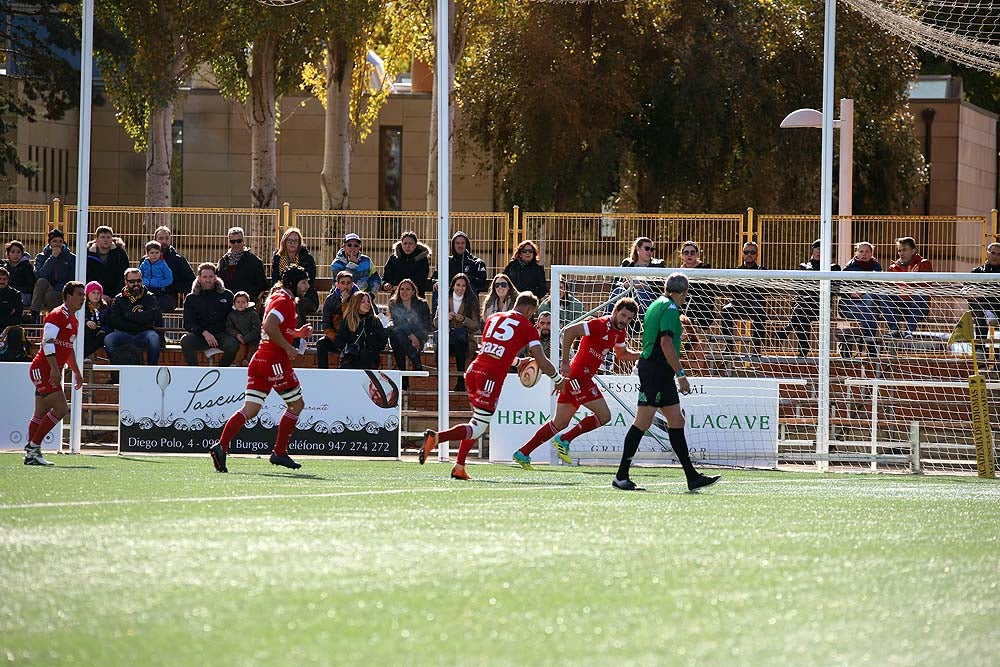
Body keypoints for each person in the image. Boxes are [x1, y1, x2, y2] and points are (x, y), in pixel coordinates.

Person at [419, 291, 565, 480]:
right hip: (490, 376)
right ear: (529, 309)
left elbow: (495, 350)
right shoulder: (527, 325)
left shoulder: (493, 318)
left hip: (473, 370)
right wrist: (558, 379)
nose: (532, 317)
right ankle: (436, 438)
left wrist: (518, 362)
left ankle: (459, 467)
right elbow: (541, 359)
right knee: (478, 427)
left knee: (476, 422)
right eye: (533, 313)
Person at [613, 273, 720, 492]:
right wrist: (681, 374)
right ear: (684, 293)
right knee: (642, 422)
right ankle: (621, 476)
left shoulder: (656, 304)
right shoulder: (671, 309)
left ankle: (692, 476)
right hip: (657, 370)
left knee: (676, 419)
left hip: (657, 370)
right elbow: (665, 342)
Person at [512, 298, 642, 469]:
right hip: (578, 376)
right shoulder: (600, 324)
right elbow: (569, 331)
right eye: (623, 315)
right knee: (604, 416)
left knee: (560, 423)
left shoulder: (620, 332)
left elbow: (622, 354)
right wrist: (565, 362)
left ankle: (523, 453)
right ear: (615, 312)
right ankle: (565, 439)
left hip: (579, 378)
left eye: (629, 318)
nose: (625, 320)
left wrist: (645, 353)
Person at [209, 265, 314, 473]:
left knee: (250, 409)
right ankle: (279, 452)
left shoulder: (279, 297)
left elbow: (277, 327)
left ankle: (221, 446)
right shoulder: (284, 300)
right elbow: (268, 326)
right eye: (304, 281)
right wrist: (289, 348)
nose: (307, 285)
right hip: (275, 360)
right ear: (293, 283)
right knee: (296, 405)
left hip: (260, 359)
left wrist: (298, 333)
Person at [23, 281, 85, 466]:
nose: (83, 298)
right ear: (67, 296)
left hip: (48, 369)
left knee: (40, 413)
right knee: (61, 409)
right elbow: (47, 342)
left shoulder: (74, 320)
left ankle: (31, 454)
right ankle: (33, 447)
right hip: (44, 369)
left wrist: (76, 372)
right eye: (79, 294)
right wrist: (55, 369)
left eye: (83, 294)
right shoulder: (57, 315)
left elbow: (68, 349)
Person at [776, 240, 840, 358]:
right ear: (812, 250)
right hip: (804, 304)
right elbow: (800, 287)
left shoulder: (834, 267)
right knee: (802, 313)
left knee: (801, 310)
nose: (819, 251)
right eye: (817, 248)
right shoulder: (804, 266)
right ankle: (802, 350)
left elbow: (834, 289)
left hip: (822, 305)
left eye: (822, 248)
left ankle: (789, 332)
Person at [181, 263, 239, 368]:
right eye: (205, 277)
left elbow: (237, 315)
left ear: (216, 277)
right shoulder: (191, 298)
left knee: (233, 344)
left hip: (222, 335)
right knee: (185, 341)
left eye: (211, 276)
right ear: (199, 278)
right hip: (201, 336)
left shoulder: (227, 295)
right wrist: (204, 333)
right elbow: (188, 323)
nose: (208, 280)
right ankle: (195, 372)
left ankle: (221, 371)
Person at [433, 273, 481, 392]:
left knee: (460, 337)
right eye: (458, 285)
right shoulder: (444, 299)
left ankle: (460, 381)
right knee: (442, 342)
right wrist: (446, 317)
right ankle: (442, 382)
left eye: (463, 286)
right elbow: (436, 322)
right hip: (446, 338)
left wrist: (464, 320)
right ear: (453, 286)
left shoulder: (471, 301)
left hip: (463, 339)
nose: (460, 288)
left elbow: (476, 325)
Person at [105, 268, 162, 365]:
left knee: (154, 338)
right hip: (124, 334)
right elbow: (115, 321)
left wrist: (128, 316)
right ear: (126, 282)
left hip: (144, 334)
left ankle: (152, 370)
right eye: (132, 281)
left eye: (139, 281)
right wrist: (139, 320)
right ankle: (117, 370)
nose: (136, 284)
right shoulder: (118, 299)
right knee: (109, 339)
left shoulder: (150, 297)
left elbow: (151, 316)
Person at [720, 241, 767, 356]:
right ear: (742, 254)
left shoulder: (763, 271)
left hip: (755, 303)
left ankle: (756, 348)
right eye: (746, 252)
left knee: (760, 311)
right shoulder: (736, 271)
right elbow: (732, 289)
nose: (749, 254)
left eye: (752, 252)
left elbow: (763, 291)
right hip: (738, 303)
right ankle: (729, 346)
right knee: (725, 310)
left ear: (757, 255)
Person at [880, 236, 932, 338]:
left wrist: (909, 282)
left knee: (920, 295)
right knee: (884, 294)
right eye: (899, 250)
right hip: (899, 304)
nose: (901, 253)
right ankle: (894, 330)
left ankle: (909, 331)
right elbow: (890, 287)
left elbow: (926, 286)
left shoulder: (923, 264)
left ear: (913, 251)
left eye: (904, 250)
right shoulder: (893, 267)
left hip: (917, 305)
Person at [838, 241, 883, 358]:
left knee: (869, 299)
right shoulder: (849, 268)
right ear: (856, 253)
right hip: (849, 306)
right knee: (870, 314)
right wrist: (850, 294)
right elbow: (840, 289)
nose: (864, 254)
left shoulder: (876, 267)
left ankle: (870, 345)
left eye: (867, 251)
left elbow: (880, 286)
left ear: (872, 253)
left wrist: (865, 291)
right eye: (861, 251)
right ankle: (871, 345)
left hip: (870, 305)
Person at [430, 231, 488, 314]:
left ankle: (472, 321)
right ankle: (436, 322)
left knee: (470, 286)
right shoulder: (445, 262)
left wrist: (463, 281)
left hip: (467, 295)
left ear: (466, 245)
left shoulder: (477, 263)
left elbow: (481, 282)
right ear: (453, 245)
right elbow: (435, 277)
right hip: (448, 295)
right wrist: (437, 281)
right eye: (457, 243)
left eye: (462, 243)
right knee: (438, 288)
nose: (460, 245)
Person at [387, 278, 431, 386]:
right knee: (395, 332)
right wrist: (411, 336)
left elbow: (426, 325)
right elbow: (398, 322)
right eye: (401, 289)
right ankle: (416, 361)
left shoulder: (422, 304)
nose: (404, 292)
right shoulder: (393, 303)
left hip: (419, 336)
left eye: (408, 289)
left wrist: (416, 337)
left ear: (413, 292)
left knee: (396, 335)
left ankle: (404, 377)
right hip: (405, 336)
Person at [331, 292, 389, 370]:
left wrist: (373, 347)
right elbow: (339, 340)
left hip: (369, 358)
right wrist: (349, 347)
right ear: (356, 303)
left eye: (368, 301)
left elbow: (382, 339)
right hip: (351, 358)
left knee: (365, 353)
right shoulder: (348, 320)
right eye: (363, 302)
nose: (367, 304)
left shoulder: (374, 320)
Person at [271, 227, 319, 321]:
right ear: (284, 241)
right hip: (282, 294)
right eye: (289, 240)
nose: (292, 243)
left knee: (296, 303)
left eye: (295, 240)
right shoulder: (278, 257)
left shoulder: (307, 258)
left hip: (306, 296)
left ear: (299, 243)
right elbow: (275, 279)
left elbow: (309, 283)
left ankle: (297, 332)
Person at [316, 270, 358, 369]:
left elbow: (352, 321)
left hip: (353, 338)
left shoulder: (359, 298)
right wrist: (336, 339)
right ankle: (323, 372)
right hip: (336, 337)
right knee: (321, 344)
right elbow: (326, 325)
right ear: (337, 285)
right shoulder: (330, 300)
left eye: (348, 283)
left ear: (352, 284)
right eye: (342, 283)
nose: (345, 286)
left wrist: (345, 303)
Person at [217, 227, 269, 304]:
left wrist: (246, 293)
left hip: (246, 304)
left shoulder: (254, 261)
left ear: (244, 241)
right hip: (226, 303)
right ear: (228, 242)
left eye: (239, 241)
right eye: (233, 241)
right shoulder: (223, 261)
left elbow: (262, 285)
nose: (236, 244)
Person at [32, 229, 76, 317]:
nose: (57, 244)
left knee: (51, 295)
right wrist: (52, 258)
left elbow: (72, 279)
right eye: (54, 241)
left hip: (64, 291)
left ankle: (56, 322)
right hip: (47, 289)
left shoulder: (71, 258)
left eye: (60, 241)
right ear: (49, 243)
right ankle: (34, 313)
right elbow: (40, 275)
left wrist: (59, 288)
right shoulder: (41, 257)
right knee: (41, 281)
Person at [153, 226, 196, 310]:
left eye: (166, 238)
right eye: (161, 238)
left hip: (169, 298)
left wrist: (172, 287)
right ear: (155, 240)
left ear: (170, 240)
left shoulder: (178, 260)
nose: (164, 241)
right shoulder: (146, 260)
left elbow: (191, 281)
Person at [677, 240, 716, 330]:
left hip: (702, 309)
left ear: (697, 255)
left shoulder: (705, 268)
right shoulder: (679, 271)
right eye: (686, 252)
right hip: (685, 306)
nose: (689, 255)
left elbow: (705, 293)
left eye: (692, 252)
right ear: (682, 255)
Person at [86, 225, 130, 302]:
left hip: (116, 295)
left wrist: (118, 295)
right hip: (94, 295)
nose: (105, 240)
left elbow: (123, 276)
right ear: (96, 240)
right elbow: (88, 277)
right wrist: (99, 295)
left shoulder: (120, 254)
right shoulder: (88, 255)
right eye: (102, 237)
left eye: (108, 237)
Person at [969, 242, 1000, 347]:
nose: (995, 256)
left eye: (999, 254)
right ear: (987, 253)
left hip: (998, 307)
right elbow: (966, 289)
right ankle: (979, 350)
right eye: (993, 253)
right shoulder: (977, 271)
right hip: (980, 308)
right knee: (980, 313)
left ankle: (989, 312)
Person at [382, 231, 431, 295]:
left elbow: (421, 281)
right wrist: (385, 285)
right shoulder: (393, 258)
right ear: (401, 244)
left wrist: (402, 288)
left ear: (415, 245)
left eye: (410, 244)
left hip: (416, 298)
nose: (407, 246)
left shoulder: (422, 260)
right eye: (405, 243)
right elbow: (386, 278)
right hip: (396, 298)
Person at [0, 266, 31, 362]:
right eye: (0, 279)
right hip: (5, 323)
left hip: (10, 328)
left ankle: (13, 359)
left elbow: (17, 317)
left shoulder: (15, 294)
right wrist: (9, 314)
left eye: (4, 279)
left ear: (8, 280)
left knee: (16, 332)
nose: (2, 281)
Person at [139, 240, 176, 313]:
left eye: (157, 252)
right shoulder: (144, 264)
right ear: (147, 254)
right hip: (146, 288)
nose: (154, 255)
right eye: (152, 253)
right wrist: (144, 282)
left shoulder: (163, 265)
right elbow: (139, 275)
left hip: (159, 290)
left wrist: (159, 283)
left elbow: (169, 278)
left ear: (160, 253)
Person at [226, 291, 262, 365]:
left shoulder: (252, 314)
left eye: (243, 302)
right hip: (239, 339)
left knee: (251, 351)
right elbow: (229, 327)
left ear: (247, 303)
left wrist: (246, 338)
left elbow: (257, 328)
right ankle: (237, 364)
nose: (240, 304)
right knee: (240, 351)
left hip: (253, 339)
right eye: (238, 302)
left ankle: (248, 363)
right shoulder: (231, 315)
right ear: (234, 304)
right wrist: (236, 334)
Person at [4, 240, 36, 310]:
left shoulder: (27, 266)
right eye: (12, 252)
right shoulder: (5, 267)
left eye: (18, 252)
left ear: (22, 254)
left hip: (23, 295)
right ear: (8, 254)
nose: (16, 254)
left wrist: (13, 289)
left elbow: (30, 287)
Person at [82, 281, 110, 358]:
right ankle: (83, 356)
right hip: (87, 331)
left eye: (98, 293)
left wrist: (102, 329)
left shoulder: (105, 308)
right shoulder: (82, 307)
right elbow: (78, 318)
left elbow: (109, 323)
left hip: (99, 333)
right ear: (87, 294)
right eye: (93, 292)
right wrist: (86, 321)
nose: (96, 295)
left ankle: (86, 355)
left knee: (102, 335)